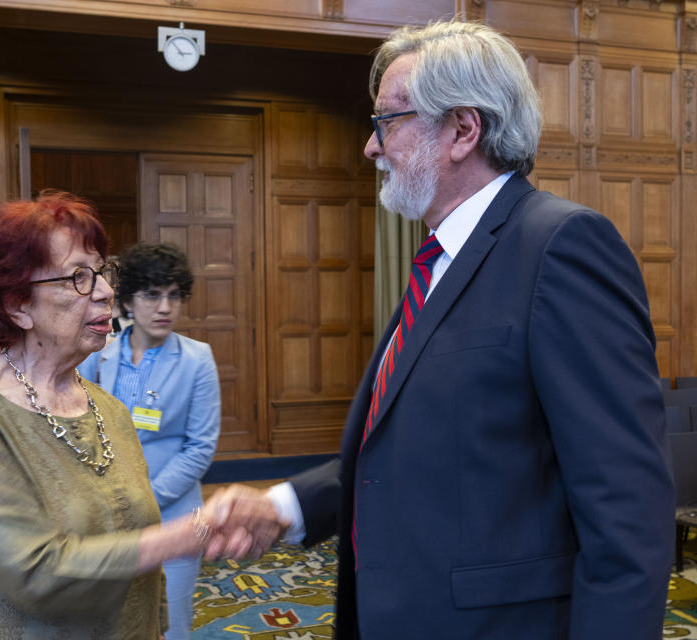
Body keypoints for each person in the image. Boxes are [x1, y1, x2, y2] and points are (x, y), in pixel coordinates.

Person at [224, 20, 675, 640]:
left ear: (463, 130)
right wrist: (286, 508)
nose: (371, 147)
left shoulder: (560, 247)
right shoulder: (439, 259)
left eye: (388, 122)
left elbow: (627, 511)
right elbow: (426, 452)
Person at [0, 192, 253, 639]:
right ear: (17, 304)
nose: (105, 291)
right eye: (79, 277)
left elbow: (140, 548)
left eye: (102, 272)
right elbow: (36, 574)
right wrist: (188, 534)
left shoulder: (107, 408)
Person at [78, 242, 220, 640]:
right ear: (127, 300)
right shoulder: (98, 357)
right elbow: (82, 429)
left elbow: (200, 449)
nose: (164, 307)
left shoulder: (198, 359)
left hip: (176, 517)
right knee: (115, 621)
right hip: (109, 517)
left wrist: (143, 499)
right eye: (152, 294)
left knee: (172, 625)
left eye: (174, 295)